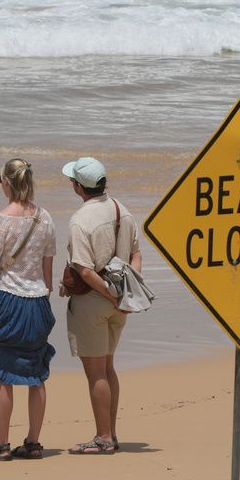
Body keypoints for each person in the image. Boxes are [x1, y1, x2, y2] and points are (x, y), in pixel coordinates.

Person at [0, 158, 57, 461]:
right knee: (37, 375)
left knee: (4, 374)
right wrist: (44, 296)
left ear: (6, 183)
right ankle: (34, 443)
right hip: (37, 303)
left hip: (8, 301)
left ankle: (3, 444)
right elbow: (48, 266)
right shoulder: (45, 217)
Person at [61, 157, 142, 455]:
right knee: (108, 368)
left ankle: (104, 438)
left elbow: (84, 270)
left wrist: (110, 295)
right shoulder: (122, 209)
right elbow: (136, 255)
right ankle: (111, 433)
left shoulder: (81, 220)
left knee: (96, 373)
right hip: (119, 303)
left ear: (79, 187)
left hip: (94, 302)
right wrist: (125, 295)